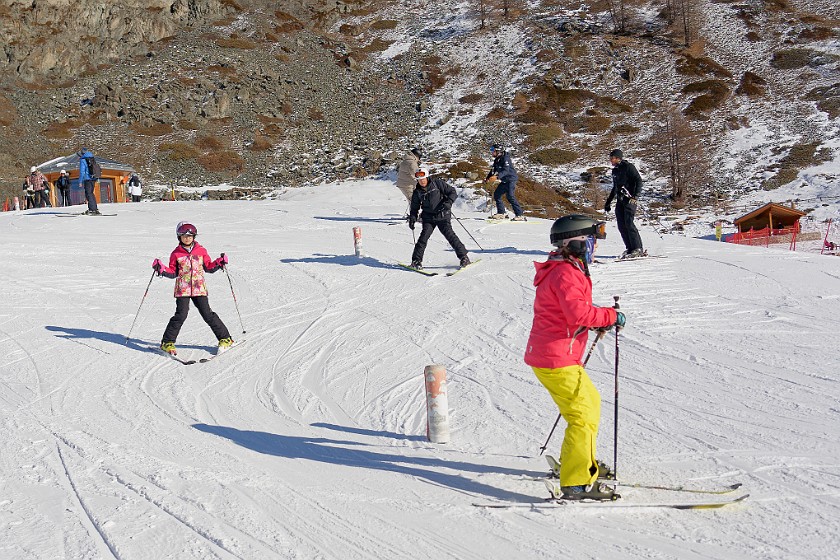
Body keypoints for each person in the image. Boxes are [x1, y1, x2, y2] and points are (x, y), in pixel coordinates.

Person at [524, 214, 623, 501]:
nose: (593, 247)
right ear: (576, 243)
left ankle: (580, 464)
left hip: (552, 354)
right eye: (590, 241)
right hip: (557, 357)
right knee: (583, 415)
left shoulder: (562, 269)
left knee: (585, 408)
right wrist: (610, 316)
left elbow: (573, 312)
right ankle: (576, 482)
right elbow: (578, 313)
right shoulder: (566, 272)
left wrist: (599, 320)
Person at [152, 222, 234, 356]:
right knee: (181, 315)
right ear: (179, 237)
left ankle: (225, 339)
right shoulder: (176, 253)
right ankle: (167, 343)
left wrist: (219, 262)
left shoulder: (201, 251)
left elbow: (208, 267)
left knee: (207, 314)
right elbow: (173, 272)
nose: (187, 238)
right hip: (183, 288)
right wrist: (161, 269)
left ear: (194, 236)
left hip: (199, 288)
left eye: (190, 236)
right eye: (184, 236)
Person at [408, 168, 470, 270]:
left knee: (450, 236)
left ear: (427, 177)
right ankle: (416, 261)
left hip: (442, 215)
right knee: (423, 239)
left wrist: (448, 203)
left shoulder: (437, 184)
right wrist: (412, 218)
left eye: (423, 179)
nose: (421, 181)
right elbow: (414, 207)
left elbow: (452, 192)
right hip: (428, 217)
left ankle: (464, 258)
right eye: (419, 180)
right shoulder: (417, 192)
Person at [604, 149, 644, 258]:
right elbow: (615, 187)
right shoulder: (615, 171)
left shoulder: (628, 167)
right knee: (621, 225)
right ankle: (630, 248)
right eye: (610, 158)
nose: (611, 160)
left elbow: (638, 181)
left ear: (618, 158)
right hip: (620, 200)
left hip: (630, 199)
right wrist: (608, 202)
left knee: (629, 223)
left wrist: (635, 196)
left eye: (612, 158)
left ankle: (638, 248)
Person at [485, 144, 525, 221]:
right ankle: (501, 213)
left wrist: (497, 177)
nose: (491, 153)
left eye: (493, 151)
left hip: (511, 180)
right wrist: (487, 178)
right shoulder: (497, 159)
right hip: (504, 180)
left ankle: (520, 215)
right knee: (497, 195)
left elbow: (506, 171)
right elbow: (493, 170)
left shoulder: (505, 158)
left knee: (510, 196)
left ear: (498, 151)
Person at [77, 148, 100, 215]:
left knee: (88, 194)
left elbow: (82, 172)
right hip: (93, 178)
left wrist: (80, 181)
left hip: (87, 179)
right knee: (91, 193)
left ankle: (92, 209)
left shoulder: (83, 160)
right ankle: (94, 208)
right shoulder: (92, 158)